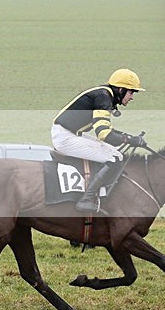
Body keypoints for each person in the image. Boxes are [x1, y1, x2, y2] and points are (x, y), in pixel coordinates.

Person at [51, 68, 146, 213]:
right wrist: (131, 140)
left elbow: (108, 132)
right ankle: (86, 199)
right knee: (114, 158)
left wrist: (132, 138)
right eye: (131, 92)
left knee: (117, 155)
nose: (132, 97)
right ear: (120, 89)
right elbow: (105, 135)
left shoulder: (104, 95)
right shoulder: (103, 97)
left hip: (71, 133)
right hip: (65, 137)